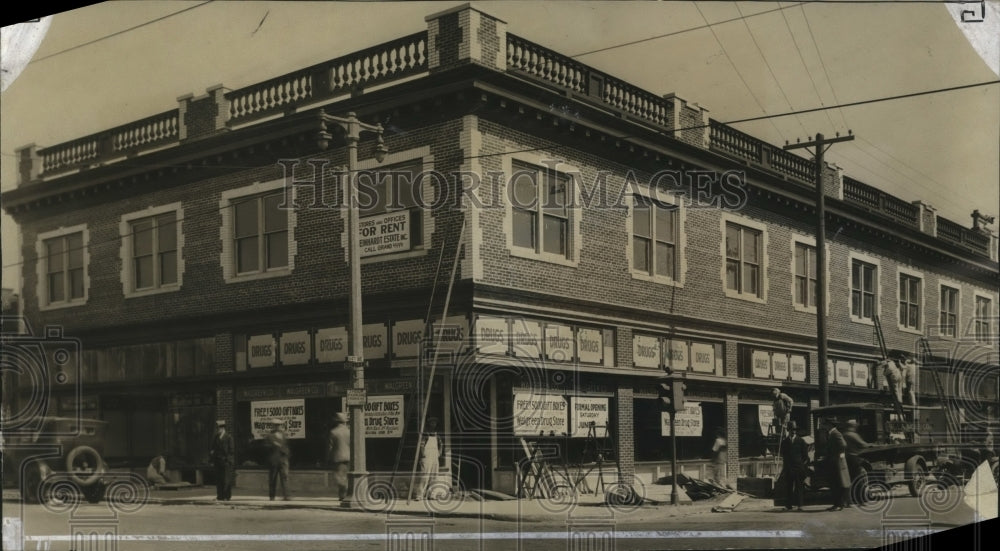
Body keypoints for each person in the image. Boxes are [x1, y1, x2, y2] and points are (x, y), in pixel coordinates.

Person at [819, 418, 850, 511]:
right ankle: (837, 504)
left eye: (826, 425)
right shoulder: (831, 433)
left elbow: (843, 444)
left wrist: (839, 455)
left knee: (837, 484)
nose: (825, 426)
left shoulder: (836, 433)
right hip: (833, 463)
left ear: (830, 425)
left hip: (836, 463)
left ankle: (839, 504)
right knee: (834, 484)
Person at [779, 421, 809, 511]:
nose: (793, 431)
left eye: (795, 430)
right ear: (788, 430)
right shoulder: (784, 442)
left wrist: (801, 465)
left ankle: (800, 505)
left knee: (799, 487)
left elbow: (805, 456)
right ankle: (788, 505)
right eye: (792, 430)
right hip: (788, 468)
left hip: (798, 468)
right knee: (788, 487)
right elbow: (783, 456)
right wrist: (785, 468)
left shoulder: (801, 441)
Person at [414, 418, 443, 501]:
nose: (433, 424)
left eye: (434, 423)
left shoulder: (437, 435)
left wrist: (439, 453)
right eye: (431, 423)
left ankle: (432, 495)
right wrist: (423, 454)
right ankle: (419, 495)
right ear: (429, 424)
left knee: (434, 476)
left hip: (435, 456)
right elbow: (422, 445)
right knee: (425, 476)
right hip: (427, 456)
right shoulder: (426, 434)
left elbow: (441, 445)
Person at [843, 420, 871, 500]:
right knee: (859, 478)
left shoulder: (844, 434)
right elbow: (863, 444)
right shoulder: (853, 435)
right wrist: (871, 445)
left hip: (846, 458)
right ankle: (861, 497)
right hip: (854, 458)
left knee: (850, 479)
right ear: (853, 426)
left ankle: (851, 497)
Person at [209, 419, 235, 501]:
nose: (217, 430)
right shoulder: (216, 437)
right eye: (217, 428)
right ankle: (220, 496)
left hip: (226, 462)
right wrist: (212, 458)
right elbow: (213, 448)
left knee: (226, 480)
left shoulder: (229, 437)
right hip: (218, 462)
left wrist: (227, 460)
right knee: (219, 479)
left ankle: (227, 496)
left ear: (223, 428)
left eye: (218, 428)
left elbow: (231, 451)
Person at [327, 412, 350, 501]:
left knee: (340, 477)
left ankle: (343, 495)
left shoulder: (333, 432)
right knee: (347, 476)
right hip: (349, 457)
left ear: (336, 421)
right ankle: (345, 493)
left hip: (338, 457)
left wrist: (329, 456)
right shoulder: (349, 432)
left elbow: (330, 447)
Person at [266, 422, 291, 501]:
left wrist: (286, 454)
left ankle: (286, 496)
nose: (278, 427)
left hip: (283, 460)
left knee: (285, 477)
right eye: (276, 425)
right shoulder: (269, 436)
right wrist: (273, 445)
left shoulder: (284, 435)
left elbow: (286, 446)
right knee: (273, 478)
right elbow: (265, 447)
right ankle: (272, 496)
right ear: (273, 426)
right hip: (274, 460)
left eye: (279, 425)